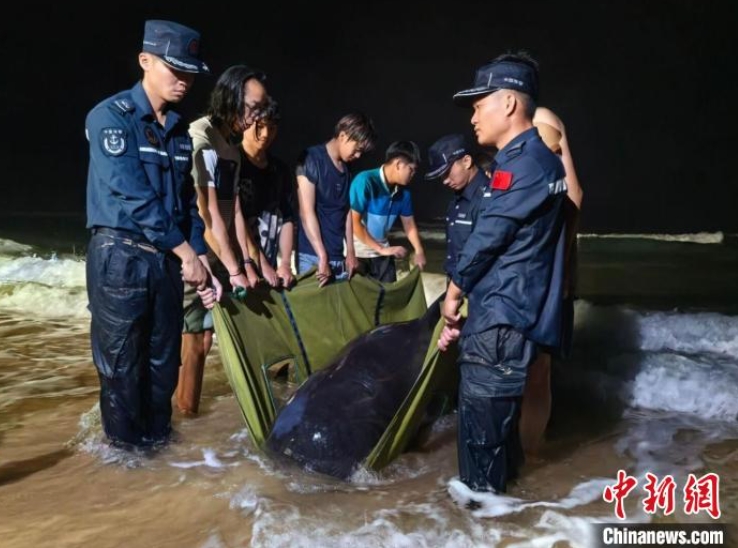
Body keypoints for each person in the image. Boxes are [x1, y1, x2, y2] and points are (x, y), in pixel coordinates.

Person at [438, 51, 568, 494]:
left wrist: (453, 295)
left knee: (480, 461)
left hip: (499, 324)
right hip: (510, 321)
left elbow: (489, 235)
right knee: (498, 449)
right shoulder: (534, 160)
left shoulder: (523, 163)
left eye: (479, 104)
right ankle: (508, 526)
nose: (473, 116)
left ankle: (484, 529)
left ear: (509, 104)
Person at [85, 20, 216, 447]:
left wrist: (202, 258)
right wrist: (186, 253)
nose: (185, 80)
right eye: (175, 69)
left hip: (166, 262)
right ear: (145, 61)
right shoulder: (110, 117)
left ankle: (158, 460)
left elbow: (186, 206)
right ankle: (124, 468)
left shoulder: (179, 132)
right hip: (119, 257)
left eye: (190, 72)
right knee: (123, 371)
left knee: (163, 368)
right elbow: (132, 195)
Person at [177, 65, 268, 415]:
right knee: (193, 343)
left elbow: (236, 211)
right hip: (199, 255)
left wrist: (244, 261)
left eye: (261, 108)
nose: (257, 117)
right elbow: (207, 213)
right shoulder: (201, 136)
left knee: (208, 338)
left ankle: (187, 415)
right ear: (229, 97)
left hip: (223, 256)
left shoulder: (232, 147)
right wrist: (235, 270)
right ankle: (185, 419)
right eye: (253, 107)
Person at [517, 106, 584, 454]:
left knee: (535, 369)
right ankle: (534, 443)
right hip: (554, 263)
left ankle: (528, 452)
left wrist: (558, 259)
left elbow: (570, 194)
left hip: (546, 266)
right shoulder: (541, 121)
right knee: (539, 367)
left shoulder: (541, 119)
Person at [295, 112, 378, 286]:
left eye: (361, 152)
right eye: (357, 150)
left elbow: (346, 211)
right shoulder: (311, 158)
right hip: (312, 257)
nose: (358, 156)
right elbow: (306, 212)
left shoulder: (346, 169)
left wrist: (351, 252)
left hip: (338, 257)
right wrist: (322, 256)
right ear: (342, 135)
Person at [238, 97, 296, 288]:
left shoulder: (280, 170)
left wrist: (285, 264)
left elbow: (287, 217)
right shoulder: (232, 163)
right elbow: (232, 218)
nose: (265, 134)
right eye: (260, 126)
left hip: (271, 267)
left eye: (271, 128)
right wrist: (259, 262)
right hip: (237, 267)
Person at [349, 141, 426, 282]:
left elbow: (409, 224)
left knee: (389, 301)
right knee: (359, 302)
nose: (413, 174)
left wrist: (419, 250)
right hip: (357, 254)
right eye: (411, 169)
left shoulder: (404, 192)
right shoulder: (365, 181)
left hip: (382, 253)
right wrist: (381, 249)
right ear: (398, 164)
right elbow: (354, 223)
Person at [424, 134, 488, 281]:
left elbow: (484, 255)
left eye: (447, 172)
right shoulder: (457, 198)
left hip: (474, 289)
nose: (445, 181)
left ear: (466, 161)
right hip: (454, 283)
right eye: (441, 175)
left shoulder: (489, 199)